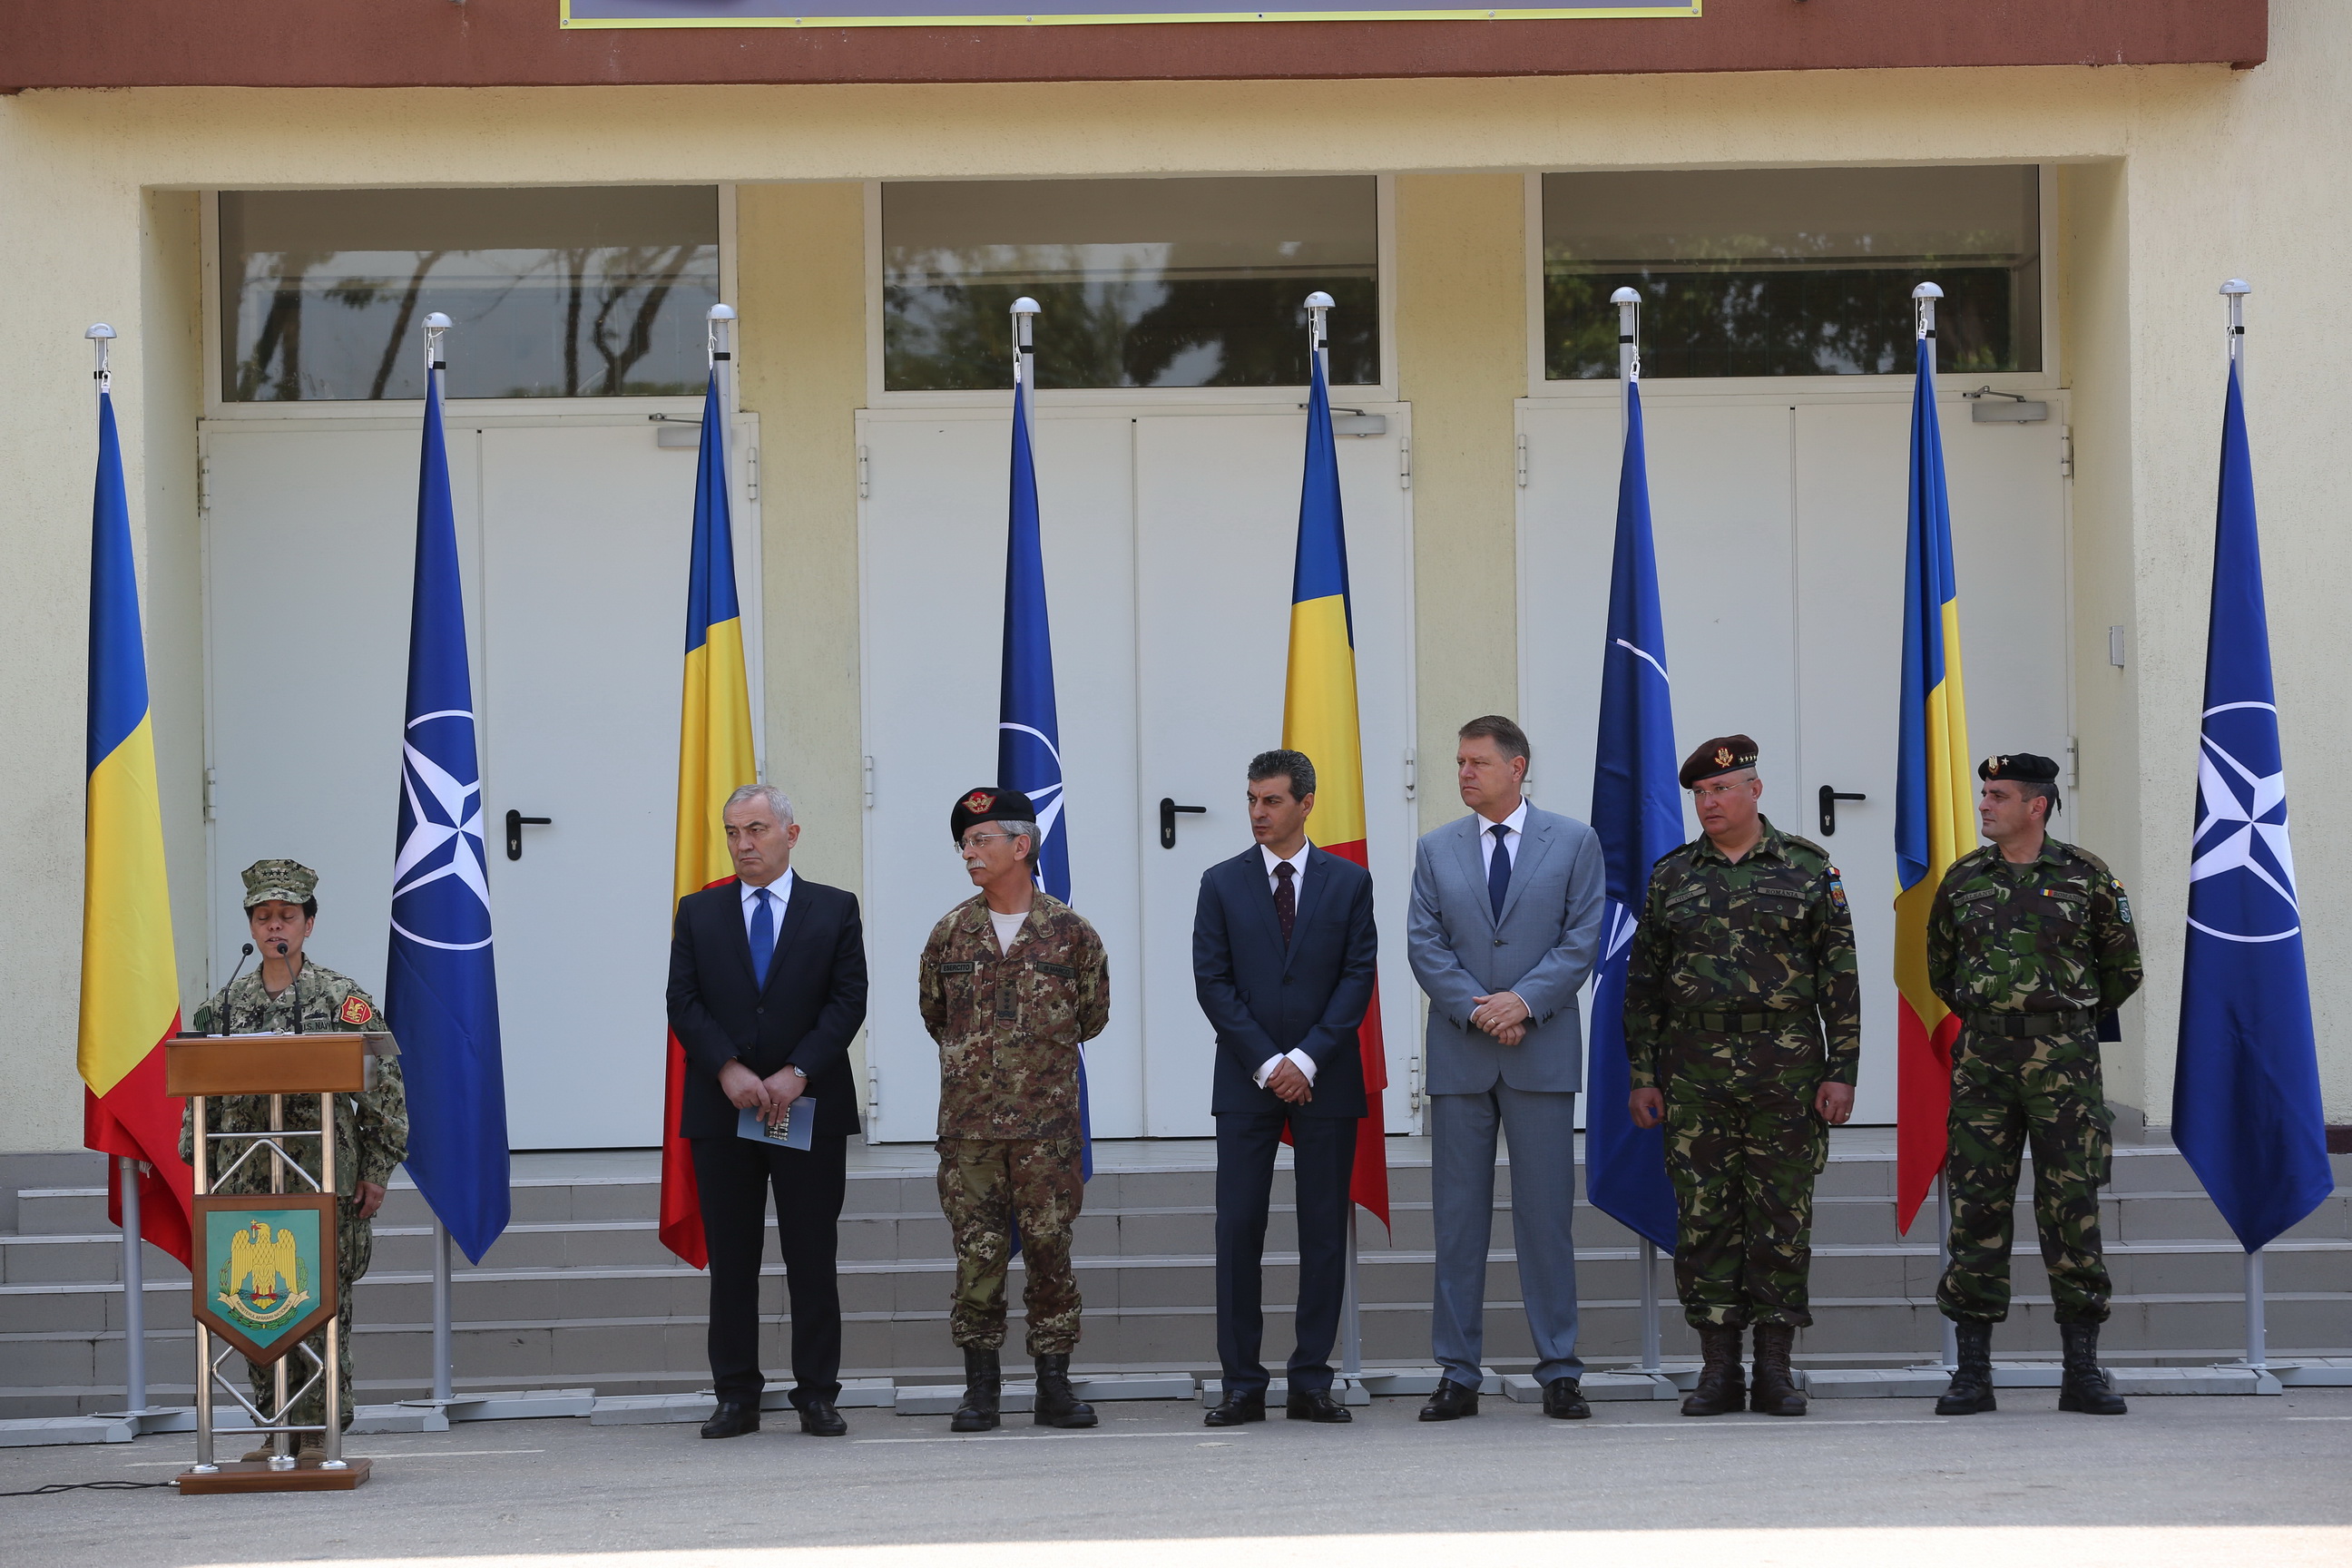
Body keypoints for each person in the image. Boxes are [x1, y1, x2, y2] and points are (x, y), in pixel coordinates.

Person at [1622, 736, 1858, 1418]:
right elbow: (1644, 986)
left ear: (1755, 790)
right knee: (1705, 1219)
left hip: (1785, 1069)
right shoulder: (1672, 876)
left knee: (1781, 1216)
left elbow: (1840, 979)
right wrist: (1643, 1073)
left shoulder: (1808, 869)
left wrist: (1842, 1070)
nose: (1709, 803)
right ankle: (1719, 1368)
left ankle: (1775, 1368)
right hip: (1694, 1072)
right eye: (1700, 793)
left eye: (1722, 790)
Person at [1927, 753, 2141, 1418]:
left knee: (2071, 1207)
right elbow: (1942, 969)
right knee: (1977, 1208)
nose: (1984, 804)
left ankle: (2082, 1371)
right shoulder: (1964, 880)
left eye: (1998, 795)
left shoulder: (2086, 876)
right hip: (1984, 1060)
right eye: (1984, 793)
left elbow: (2122, 967)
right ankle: (1972, 1373)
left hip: (2064, 1063)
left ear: (2037, 806)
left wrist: (2058, 1019)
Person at [1406, 716, 1604, 1422]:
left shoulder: (1573, 842)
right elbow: (1425, 944)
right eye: (1459, 761)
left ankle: (1560, 1370)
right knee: (1458, 1225)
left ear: (1516, 768)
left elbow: (1582, 938)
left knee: (1546, 1222)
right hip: (1462, 1057)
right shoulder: (1436, 848)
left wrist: (1523, 1002)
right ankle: (1457, 1374)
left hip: (1539, 1053)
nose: (1463, 773)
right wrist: (1481, 1010)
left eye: (1477, 762)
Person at [180, 858, 408, 1463]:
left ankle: (318, 1432)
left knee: (319, 1303)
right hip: (244, 1183)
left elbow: (385, 1089)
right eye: (263, 917)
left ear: (308, 924)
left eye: (286, 915)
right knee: (256, 1300)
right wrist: (198, 1162)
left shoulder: (342, 999)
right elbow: (196, 1093)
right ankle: (275, 1427)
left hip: (321, 1178)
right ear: (252, 927)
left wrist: (377, 1170)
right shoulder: (223, 1005)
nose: (274, 926)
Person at [667, 783, 868, 1440]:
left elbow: (847, 1000)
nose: (743, 843)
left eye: (755, 829)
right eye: (732, 831)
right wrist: (727, 1067)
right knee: (733, 1260)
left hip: (805, 1105)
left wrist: (797, 1071)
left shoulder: (833, 909)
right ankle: (736, 1396)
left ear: (791, 834)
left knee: (812, 1255)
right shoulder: (699, 912)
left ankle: (817, 1395)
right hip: (723, 1108)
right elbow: (683, 1001)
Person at [1192, 750, 1379, 1427]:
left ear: (1306, 803)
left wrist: (1307, 1058)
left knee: (1323, 1230)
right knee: (1239, 1228)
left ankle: (1310, 1381)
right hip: (1248, 1080)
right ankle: (1242, 1383)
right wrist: (1271, 1063)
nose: (1257, 813)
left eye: (1271, 801)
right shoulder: (1221, 882)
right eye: (1251, 800)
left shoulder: (1348, 882)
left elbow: (1357, 976)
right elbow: (1212, 981)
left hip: (1326, 1078)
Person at [919, 787, 1110, 1433]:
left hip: (1045, 1131)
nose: (969, 853)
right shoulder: (950, 933)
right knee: (977, 1258)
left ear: (1021, 845)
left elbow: (1092, 1017)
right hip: (970, 1131)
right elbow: (935, 1015)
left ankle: (1054, 1386)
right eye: (964, 843)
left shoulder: (1072, 934)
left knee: (1051, 1253)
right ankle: (982, 1391)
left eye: (981, 840)